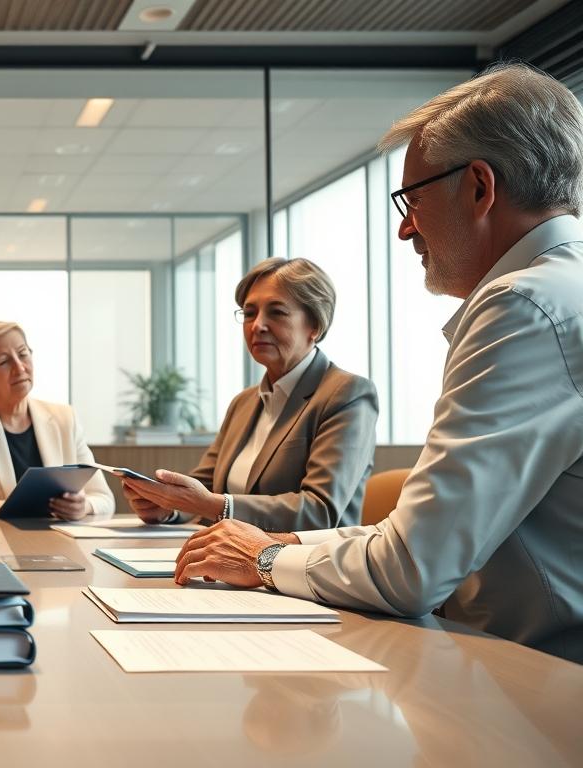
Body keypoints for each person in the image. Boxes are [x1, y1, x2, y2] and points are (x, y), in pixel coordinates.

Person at [172, 62, 583, 663]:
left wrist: (262, 558)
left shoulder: (522, 305)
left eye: (411, 199)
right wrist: (276, 541)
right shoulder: (560, 289)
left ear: (479, 187)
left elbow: (413, 567)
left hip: (534, 679)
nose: (402, 229)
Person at [121, 258, 378, 531]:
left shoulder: (347, 394)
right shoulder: (243, 402)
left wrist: (214, 505)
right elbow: (206, 486)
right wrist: (167, 507)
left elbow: (319, 511)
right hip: (230, 558)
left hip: (300, 566)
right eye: (249, 313)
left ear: (315, 325)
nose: (257, 325)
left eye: (276, 312)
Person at [0, 321, 114, 519]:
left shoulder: (64, 418)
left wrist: (83, 507)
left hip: (61, 542)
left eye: (23, 354)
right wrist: (40, 507)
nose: (20, 367)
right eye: (3, 361)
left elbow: (104, 498)